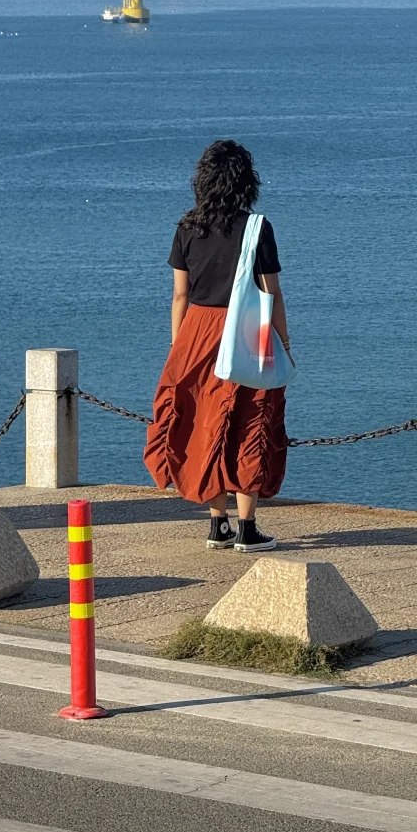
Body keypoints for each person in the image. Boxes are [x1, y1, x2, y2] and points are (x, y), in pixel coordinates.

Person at [144, 139, 291, 552]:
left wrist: (178, 346)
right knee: (251, 420)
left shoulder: (187, 228)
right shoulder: (258, 228)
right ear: (246, 183)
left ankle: (218, 525)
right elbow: (272, 293)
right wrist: (285, 340)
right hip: (245, 333)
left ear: (202, 181)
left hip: (196, 333)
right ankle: (247, 527)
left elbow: (179, 295)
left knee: (203, 422)